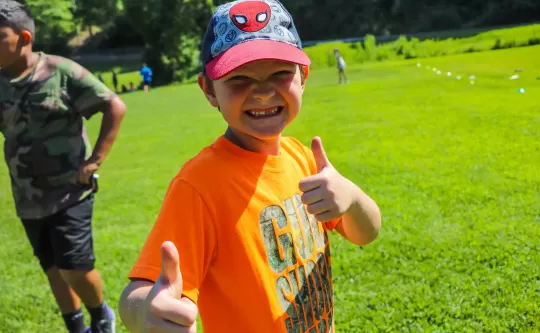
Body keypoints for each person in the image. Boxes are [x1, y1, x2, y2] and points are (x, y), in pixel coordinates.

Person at [118, 0, 381, 332]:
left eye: (280, 73)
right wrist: (144, 312)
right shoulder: (199, 185)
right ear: (209, 90)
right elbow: (138, 291)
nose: (262, 92)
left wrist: (352, 198)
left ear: (303, 77)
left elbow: (367, 233)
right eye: (239, 78)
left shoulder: (301, 157)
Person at [0, 1, 126, 333]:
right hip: (26, 195)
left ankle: (101, 316)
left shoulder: (60, 71)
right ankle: (76, 326)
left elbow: (114, 105)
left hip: (70, 190)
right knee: (52, 267)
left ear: (24, 37)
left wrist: (95, 160)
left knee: (75, 266)